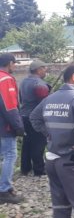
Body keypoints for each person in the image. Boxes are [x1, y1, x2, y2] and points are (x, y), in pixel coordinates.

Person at [30, 63, 74, 218]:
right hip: (72, 161)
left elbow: (34, 117)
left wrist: (50, 134)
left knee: (61, 208)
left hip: (52, 161)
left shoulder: (50, 98)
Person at [0, 53, 25, 204]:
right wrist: (19, 126)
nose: (15, 66)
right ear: (10, 63)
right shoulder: (5, 79)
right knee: (10, 155)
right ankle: (4, 189)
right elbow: (9, 106)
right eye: (15, 64)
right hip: (5, 126)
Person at [19, 60, 51, 176]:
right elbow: (43, 105)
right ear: (39, 70)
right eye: (44, 69)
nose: (45, 71)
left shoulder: (23, 82)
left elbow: (21, 100)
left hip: (24, 116)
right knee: (39, 143)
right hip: (35, 118)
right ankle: (39, 170)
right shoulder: (40, 85)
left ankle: (25, 168)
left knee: (27, 142)